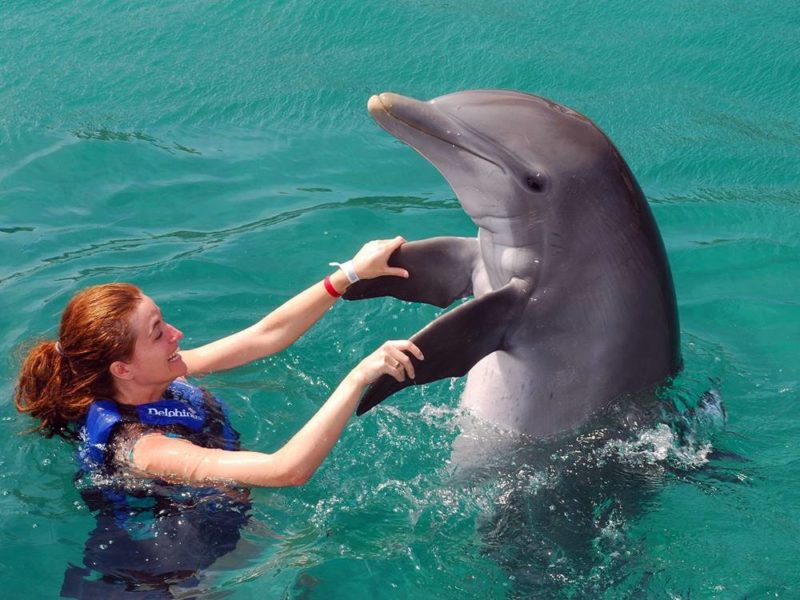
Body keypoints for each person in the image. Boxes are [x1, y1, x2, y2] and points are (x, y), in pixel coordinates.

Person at [14, 236, 423, 596]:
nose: (177, 334)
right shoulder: (144, 449)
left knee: (304, 574)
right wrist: (359, 377)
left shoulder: (157, 376)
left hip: (211, 530)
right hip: (170, 579)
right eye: (158, 332)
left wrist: (350, 273)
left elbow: (263, 336)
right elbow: (286, 470)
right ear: (122, 369)